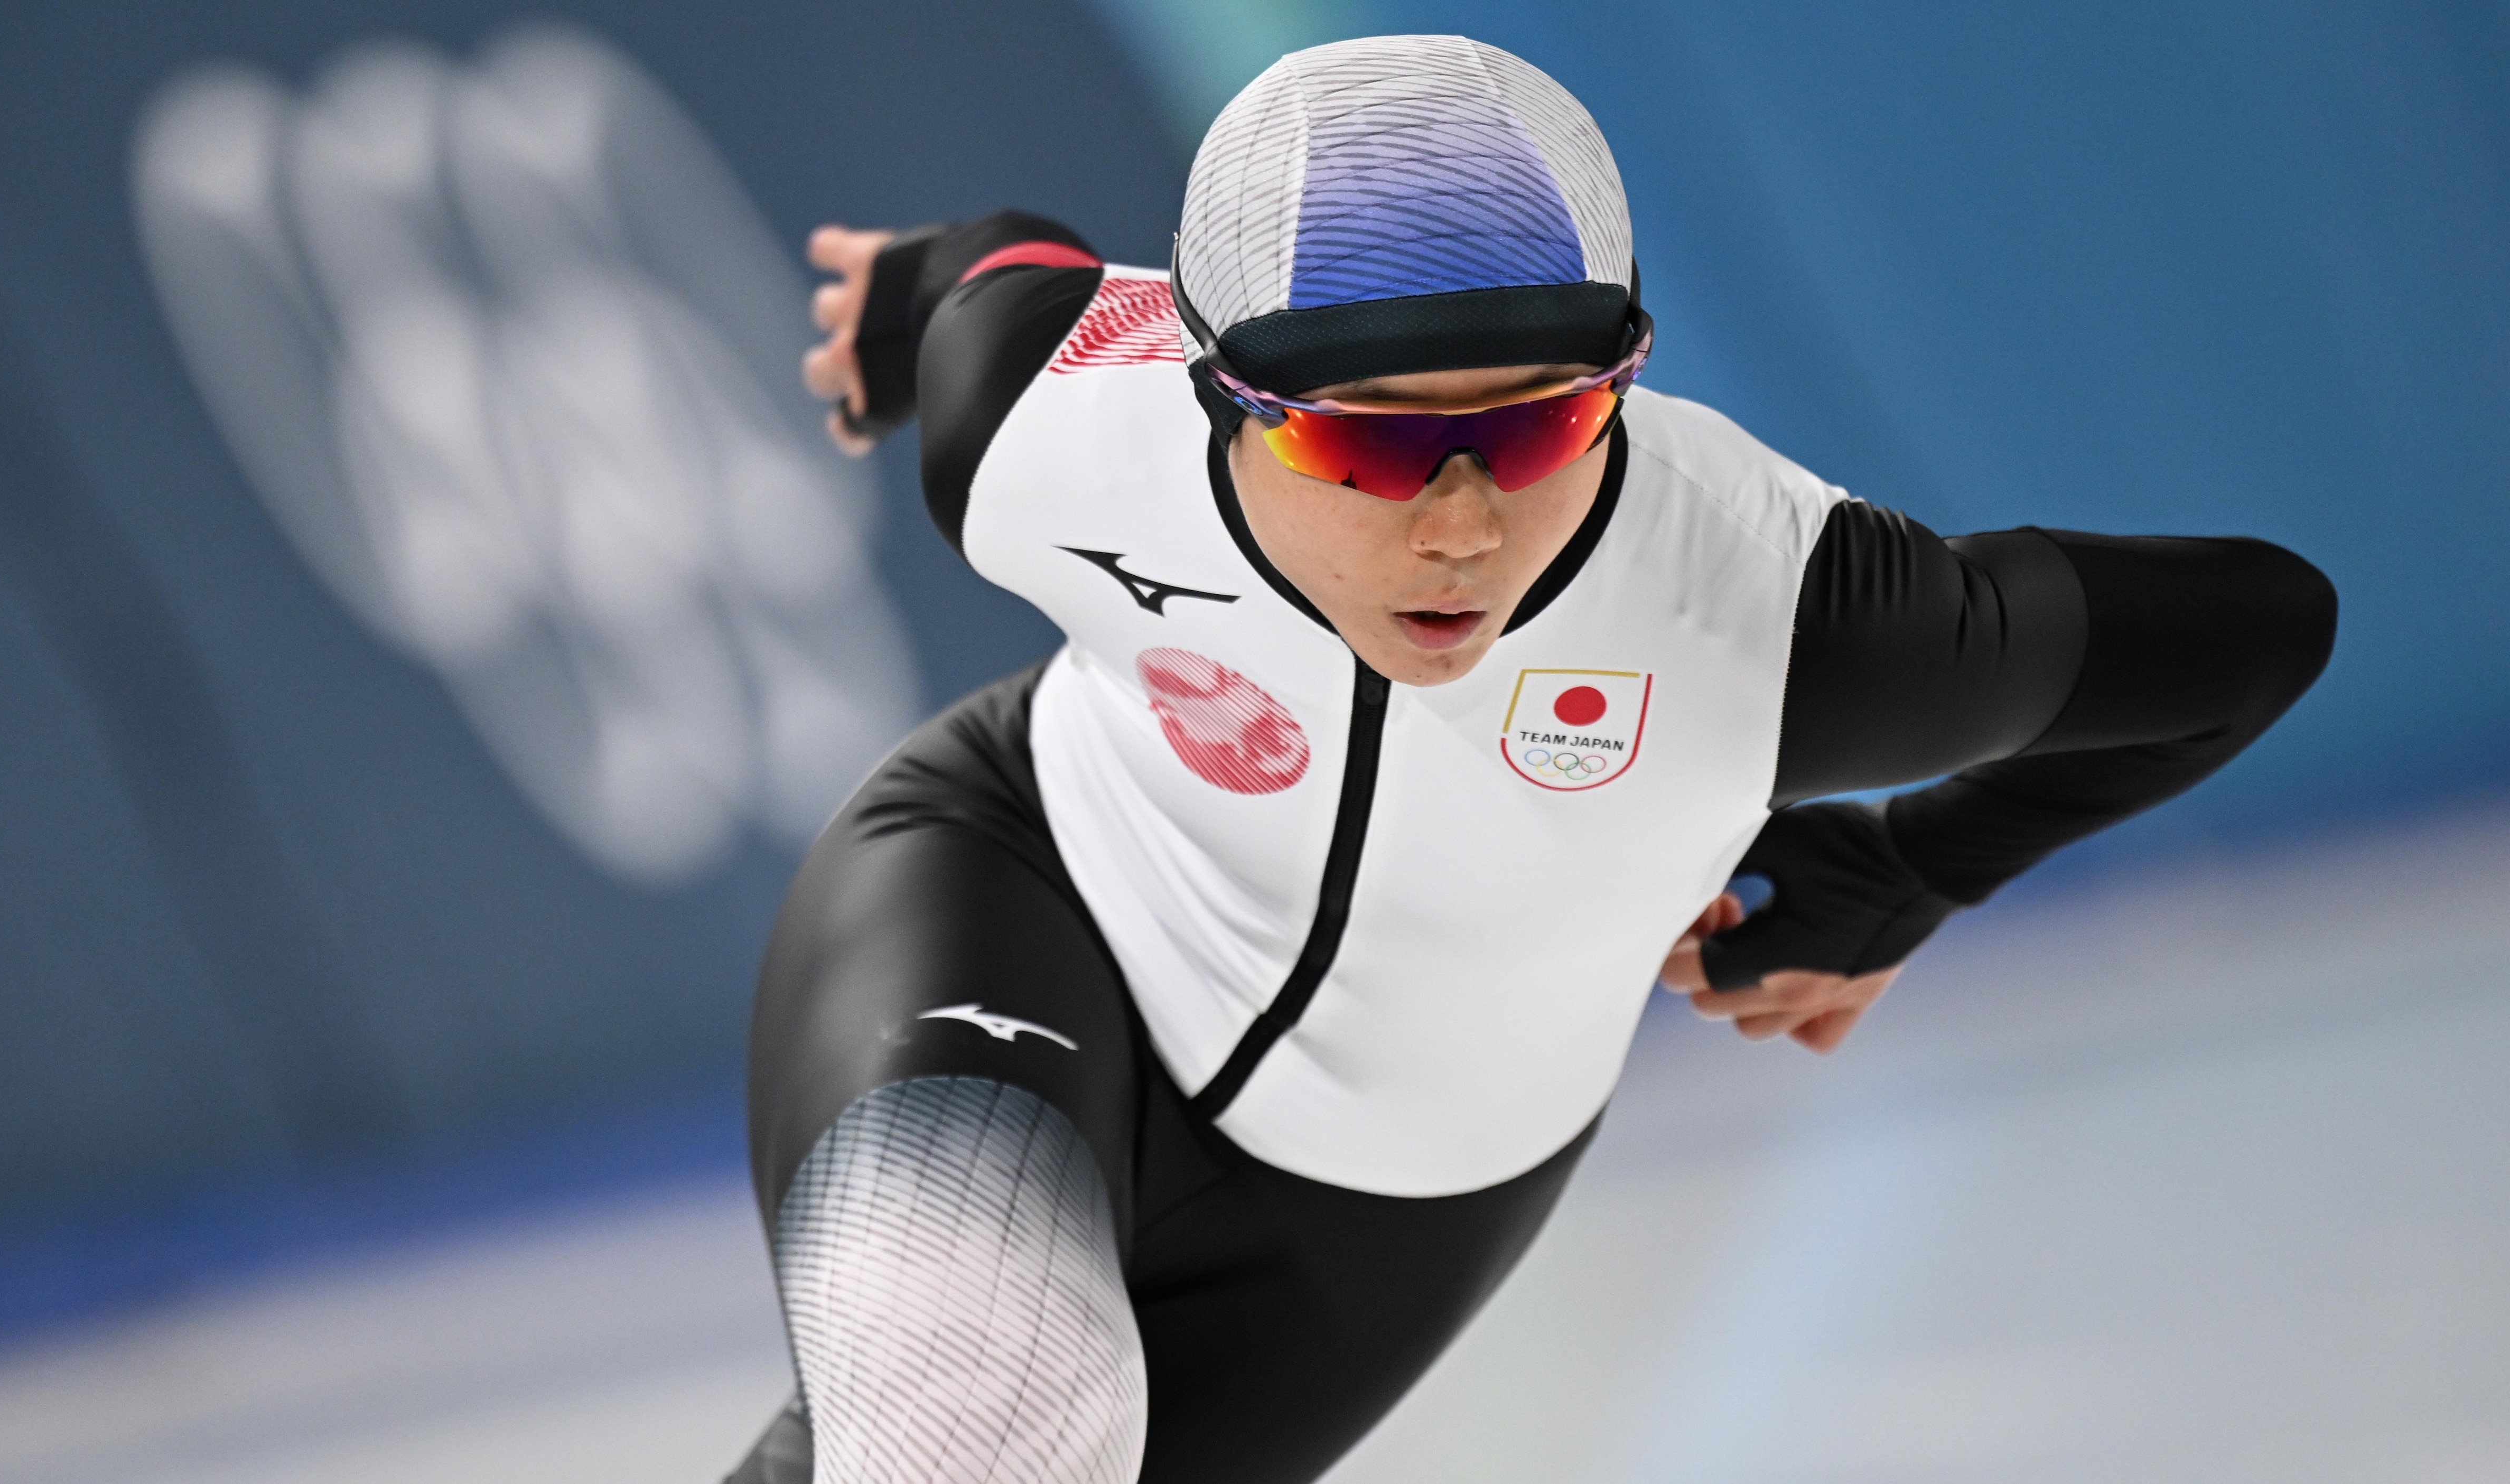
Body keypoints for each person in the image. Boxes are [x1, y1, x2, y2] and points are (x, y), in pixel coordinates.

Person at [729, 35, 2333, 1484]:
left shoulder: (1777, 613)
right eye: (1365, 440)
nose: (1462, 524)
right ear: (1218, 396)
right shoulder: (1044, 425)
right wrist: (910, 292)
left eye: (1542, 426)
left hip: (1387, 1196)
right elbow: (1006, 280)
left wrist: (1918, 865)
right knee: (982, 1435)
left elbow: (2263, 627)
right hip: (1020, 895)